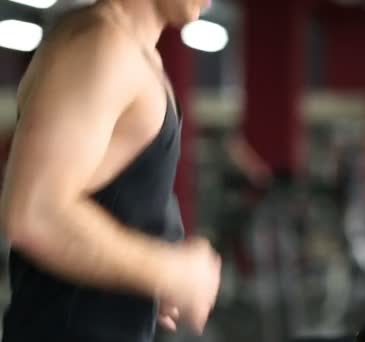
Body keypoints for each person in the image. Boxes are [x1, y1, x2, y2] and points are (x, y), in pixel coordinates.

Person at [0, 0, 221, 341]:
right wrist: (169, 271)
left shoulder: (138, 53)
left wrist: (151, 270)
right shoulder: (103, 44)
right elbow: (34, 214)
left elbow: (113, 199)